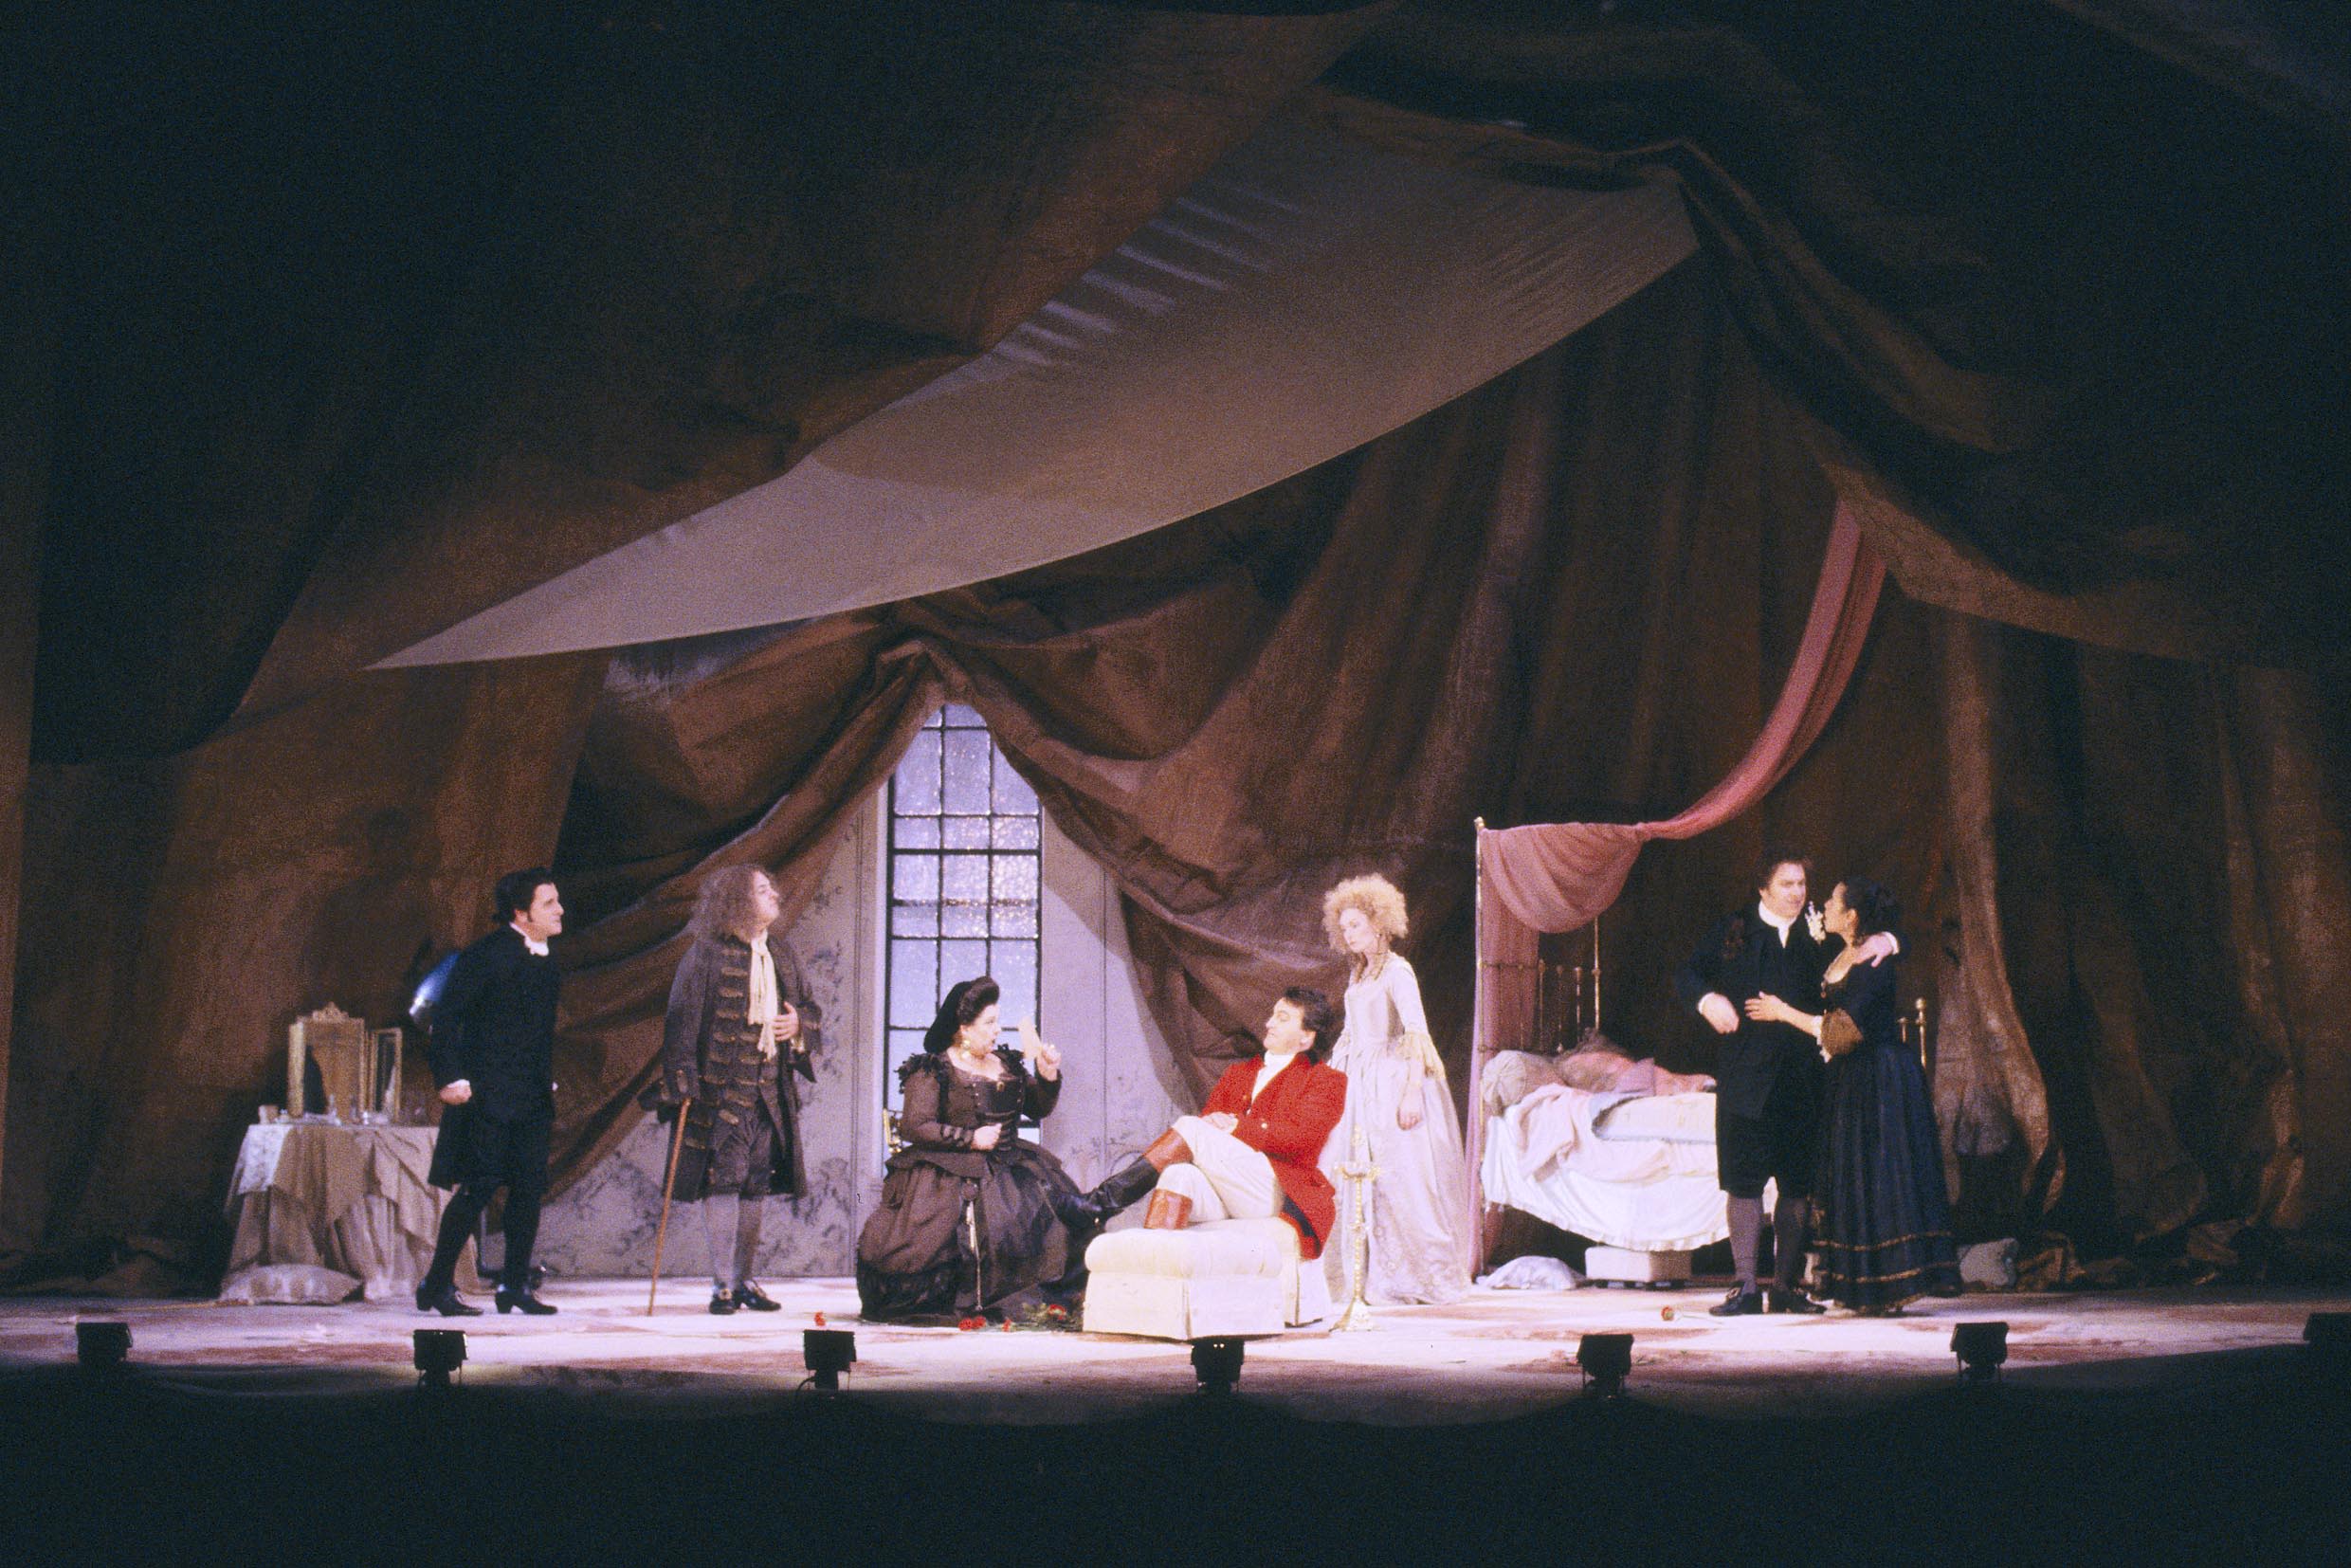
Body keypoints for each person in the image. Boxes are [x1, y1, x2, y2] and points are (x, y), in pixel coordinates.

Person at [1673, 848, 1895, 1317]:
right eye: (1786, 884)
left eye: (1801, 884)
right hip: (1745, 1078)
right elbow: (1687, 973)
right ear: (1763, 888)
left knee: (1797, 1186)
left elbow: (1872, 942)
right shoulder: (1734, 929)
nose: (1797, 893)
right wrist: (1708, 1000)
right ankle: (1744, 1287)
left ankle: (1786, 1287)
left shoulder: (1820, 930)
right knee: (1744, 1183)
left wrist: (1891, 940)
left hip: (1803, 1078)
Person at [1746, 877, 1959, 1311]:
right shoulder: (1841, 950)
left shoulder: (1873, 959)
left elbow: (1844, 1032)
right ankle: (1858, 1285)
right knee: (1853, 1178)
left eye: (1833, 901)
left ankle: (1888, 1288)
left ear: (1853, 915)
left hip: (1879, 1077)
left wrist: (1782, 1012)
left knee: (1880, 1176)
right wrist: (1892, 938)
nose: (1824, 905)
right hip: (1849, 1078)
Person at [854, 976, 1086, 1323]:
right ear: (964, 1029)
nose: (997, 1029)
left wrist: (1047, 1075)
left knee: (1053, 1222)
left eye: (997, 1021)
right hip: (949, 1174)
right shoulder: (933, 1069)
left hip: (1011, 1170)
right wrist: (970, 1139)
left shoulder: (1006, 1063)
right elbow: (915, 1126)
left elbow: (1037, 1108)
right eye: (989, 1023)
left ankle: (1037, 1301)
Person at [1066, 989, 1348, 1266]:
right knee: (1178, 1174)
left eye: (1283, 1018)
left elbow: (1300, 1139)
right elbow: (1210, 1122)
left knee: (1191, 1127)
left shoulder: (1326, 1080)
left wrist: (1237, 1125)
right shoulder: (1239, 1073)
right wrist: (1218, 1126)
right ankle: (1156, 1275)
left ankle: (1098, 1205)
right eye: (1273, 1015)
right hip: (1228, 1184)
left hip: (1275, 1190)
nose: (1269, 1023)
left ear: (1306, 1037)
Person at [654, 865, 821, 1315]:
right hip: (719, 1096)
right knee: (723, 1183)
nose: (775, 896)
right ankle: (722, 1285)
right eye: (763, 891)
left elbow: (809, 1008)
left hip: (770, 1092)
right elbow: (680, 1026)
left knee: (755, 1185)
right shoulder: (705, 955)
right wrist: (684, 1085)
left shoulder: (781, 952)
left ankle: (745, 1280)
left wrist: (798, 1025)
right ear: (738, 901)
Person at [1317, 874, 1470, 1304]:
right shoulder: (1359, 973)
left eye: (1356, 925)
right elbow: (1351, 1032)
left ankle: (1413, 1276)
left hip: (1389, 1078)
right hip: (1358, 1079)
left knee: (1398, 1177)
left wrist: (1412, 1091)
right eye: (1344, 927)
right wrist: (1332, 1076)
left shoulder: (1398, 972)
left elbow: (1416, 1032)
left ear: (1379, 922)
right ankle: (1355, 1278)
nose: (1349, 934)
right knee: (1346, 1170)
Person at [417, 868, 565, 1316]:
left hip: (530, 1094)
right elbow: (446, 1018)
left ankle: (514, 1286)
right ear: (521, 913)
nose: (560, 910)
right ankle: (435, 1284)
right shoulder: (486, 955)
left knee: (528, 1189)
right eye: (548, 903)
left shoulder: (547, 960)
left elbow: (536, 1031)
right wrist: (449, 1077)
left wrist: (543, 1076)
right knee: (478, 1187)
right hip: (487, 1092)